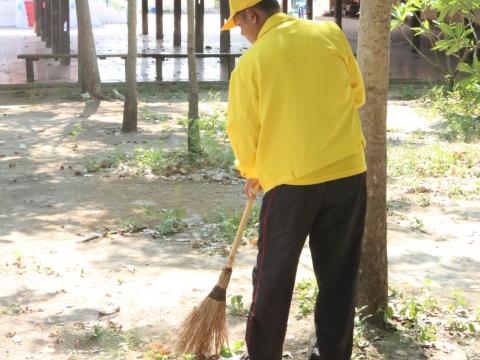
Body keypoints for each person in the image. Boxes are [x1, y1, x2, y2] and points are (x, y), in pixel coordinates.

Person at [222, 0, 367, 359]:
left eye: (240, 24)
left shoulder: (251, 64)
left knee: (273, 277)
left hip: (290, 185)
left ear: (252, 16)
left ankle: (262, 355)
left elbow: (242, 132)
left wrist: (253, 170)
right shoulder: (329, 33)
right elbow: (357, 95)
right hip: (348, 173)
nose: (241, 32)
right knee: (338, 275)